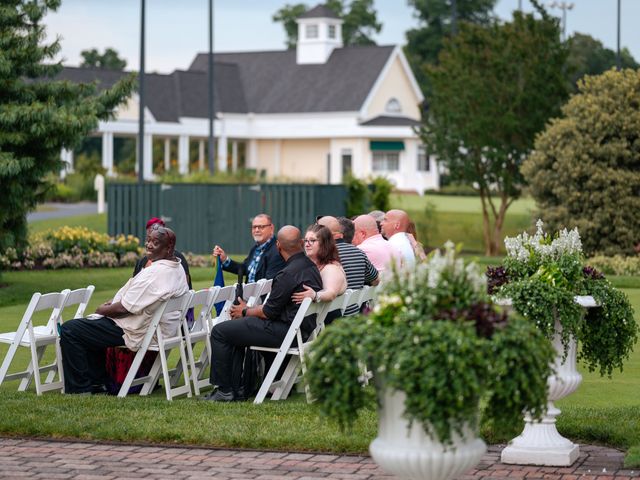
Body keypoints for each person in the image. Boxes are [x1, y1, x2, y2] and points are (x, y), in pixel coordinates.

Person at [60, 226, 189, 395]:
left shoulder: (156, 273)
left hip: (139, 330)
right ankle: (98, 382)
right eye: (148, 240)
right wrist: (114, 304)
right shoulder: (177, 268)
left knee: (71, 329)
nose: (149, 245)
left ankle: (80, 388)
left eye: (155, 243)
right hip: (157, 328)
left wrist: (102, 310)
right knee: (89, 328)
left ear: (168, 248)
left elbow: (123, 309)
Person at [205, 226, 322, 402]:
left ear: (278, 246)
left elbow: (268, 312)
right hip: (301, 330)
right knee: (233, 330)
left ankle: (224, 390)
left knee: (220, 331)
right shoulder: (310, 267)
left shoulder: (288, 273)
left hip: (284, 331)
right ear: (301, 243)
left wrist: (244, 310)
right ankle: (237, 388)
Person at [318, 216, 379, 315]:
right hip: (355, 312)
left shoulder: (323, 255)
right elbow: (375, 280)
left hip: (329, 315)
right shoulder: (359, 253)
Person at [212, 213, 285, 283]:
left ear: (271, 228)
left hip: (261, 295)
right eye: (254, 227)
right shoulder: (256, 248)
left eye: (261, 227)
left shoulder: (277, 250)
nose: (256, 230)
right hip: (248, 294)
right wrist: (225, 259)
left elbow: (270, 283)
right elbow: (244, 269)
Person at [291, 224, 347, 305]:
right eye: (306, 240)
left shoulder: (331, 268)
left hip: (328, 316)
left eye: (312, 240)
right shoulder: (312, 264)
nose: (307, 244)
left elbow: (331, 293)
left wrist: (315, 295)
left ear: (324, 244)